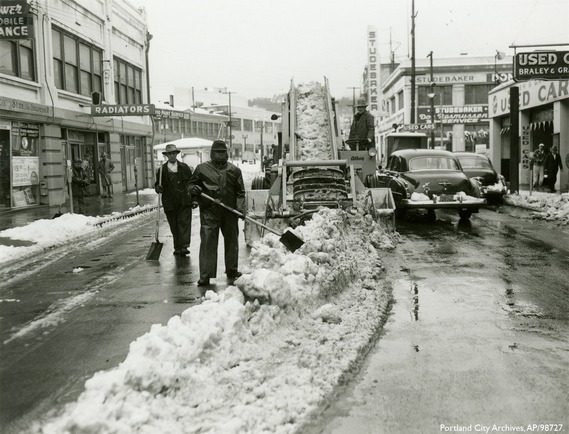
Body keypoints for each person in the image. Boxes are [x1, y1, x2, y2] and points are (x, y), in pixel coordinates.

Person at [189, 139, 246, 286]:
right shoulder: (201, 169)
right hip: (209, 211)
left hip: (230, 211)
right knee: (208, 242)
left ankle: (232, 269)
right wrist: (193, 190)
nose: (220, 155)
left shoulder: (234, 170)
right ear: (212, 153)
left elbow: (240, 192)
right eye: (217, 152)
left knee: (232, 240)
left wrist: (240, 209)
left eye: (223, 152)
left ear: (227, 153)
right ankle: (205, 275)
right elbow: (191, 184)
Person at [154, 144, 194, 256]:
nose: (172, 155)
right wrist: (158, 188)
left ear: (177, 154)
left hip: (184, 200)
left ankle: (184, 246)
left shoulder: (185, 168)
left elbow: (192, 184)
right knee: (174, 224)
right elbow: (157, 185)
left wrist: (194, 199)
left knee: (184, 223)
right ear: (166, 155)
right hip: (170, 202)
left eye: (173, 153)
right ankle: (177, 247)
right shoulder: (162, 170)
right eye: (169, 154)